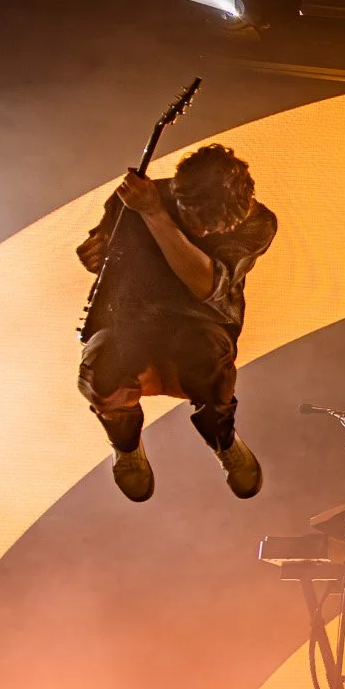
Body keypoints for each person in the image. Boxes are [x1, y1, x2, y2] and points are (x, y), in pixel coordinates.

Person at [76, 144, 274, 502]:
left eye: (213, 228)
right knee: (98, 373)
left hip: (202, 321)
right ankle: (125, 445)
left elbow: (206, 285)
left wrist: (153, 213)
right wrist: (95, 252)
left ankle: (223, 440)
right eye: (192, 218)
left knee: (210, 368)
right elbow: (105, 249)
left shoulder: (257, 224)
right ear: (177, 192)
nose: (201, 231)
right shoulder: (133, 198)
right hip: (132, 318)